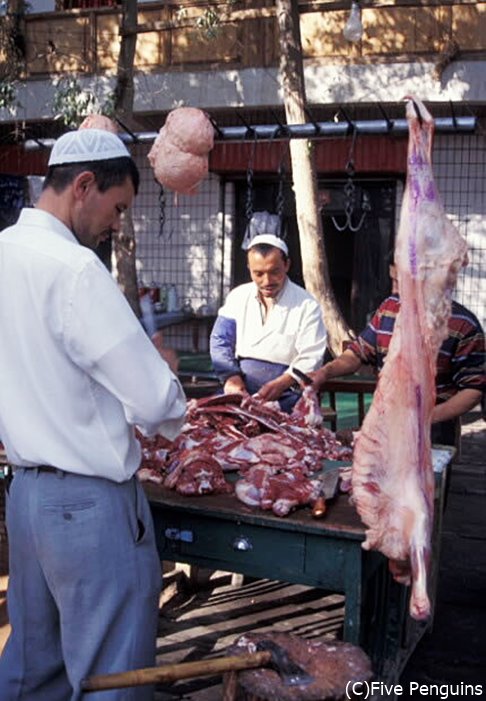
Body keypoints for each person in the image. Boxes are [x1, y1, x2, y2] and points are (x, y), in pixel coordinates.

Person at [0, 128, 187, 701]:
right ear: (84, 186)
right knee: (113, 678)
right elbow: (157, 404)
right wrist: (166, 370)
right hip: (90, 508)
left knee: (34, 673)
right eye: (118, 207)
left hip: (27, 498)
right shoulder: (78, 271)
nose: (118, 223)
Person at [311, 263, 485, 446]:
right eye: (393, 280)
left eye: (401, 282)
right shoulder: (389, 308)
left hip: (433, 428)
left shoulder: (463, 325)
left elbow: (472, 390)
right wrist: (325, 372)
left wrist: (425, 419)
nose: (395, 290)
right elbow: (358, 353)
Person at [210, 233, 327, 412]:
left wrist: (282, 382)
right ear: (249, 268)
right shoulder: (238, 296)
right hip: (241, 390)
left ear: (287, 265)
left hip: (288, 393)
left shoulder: (307, 304)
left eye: (274, 272)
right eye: (258, 274)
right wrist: (231, 377)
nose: (267, 281)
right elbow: (220, 341)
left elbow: (311, 357)